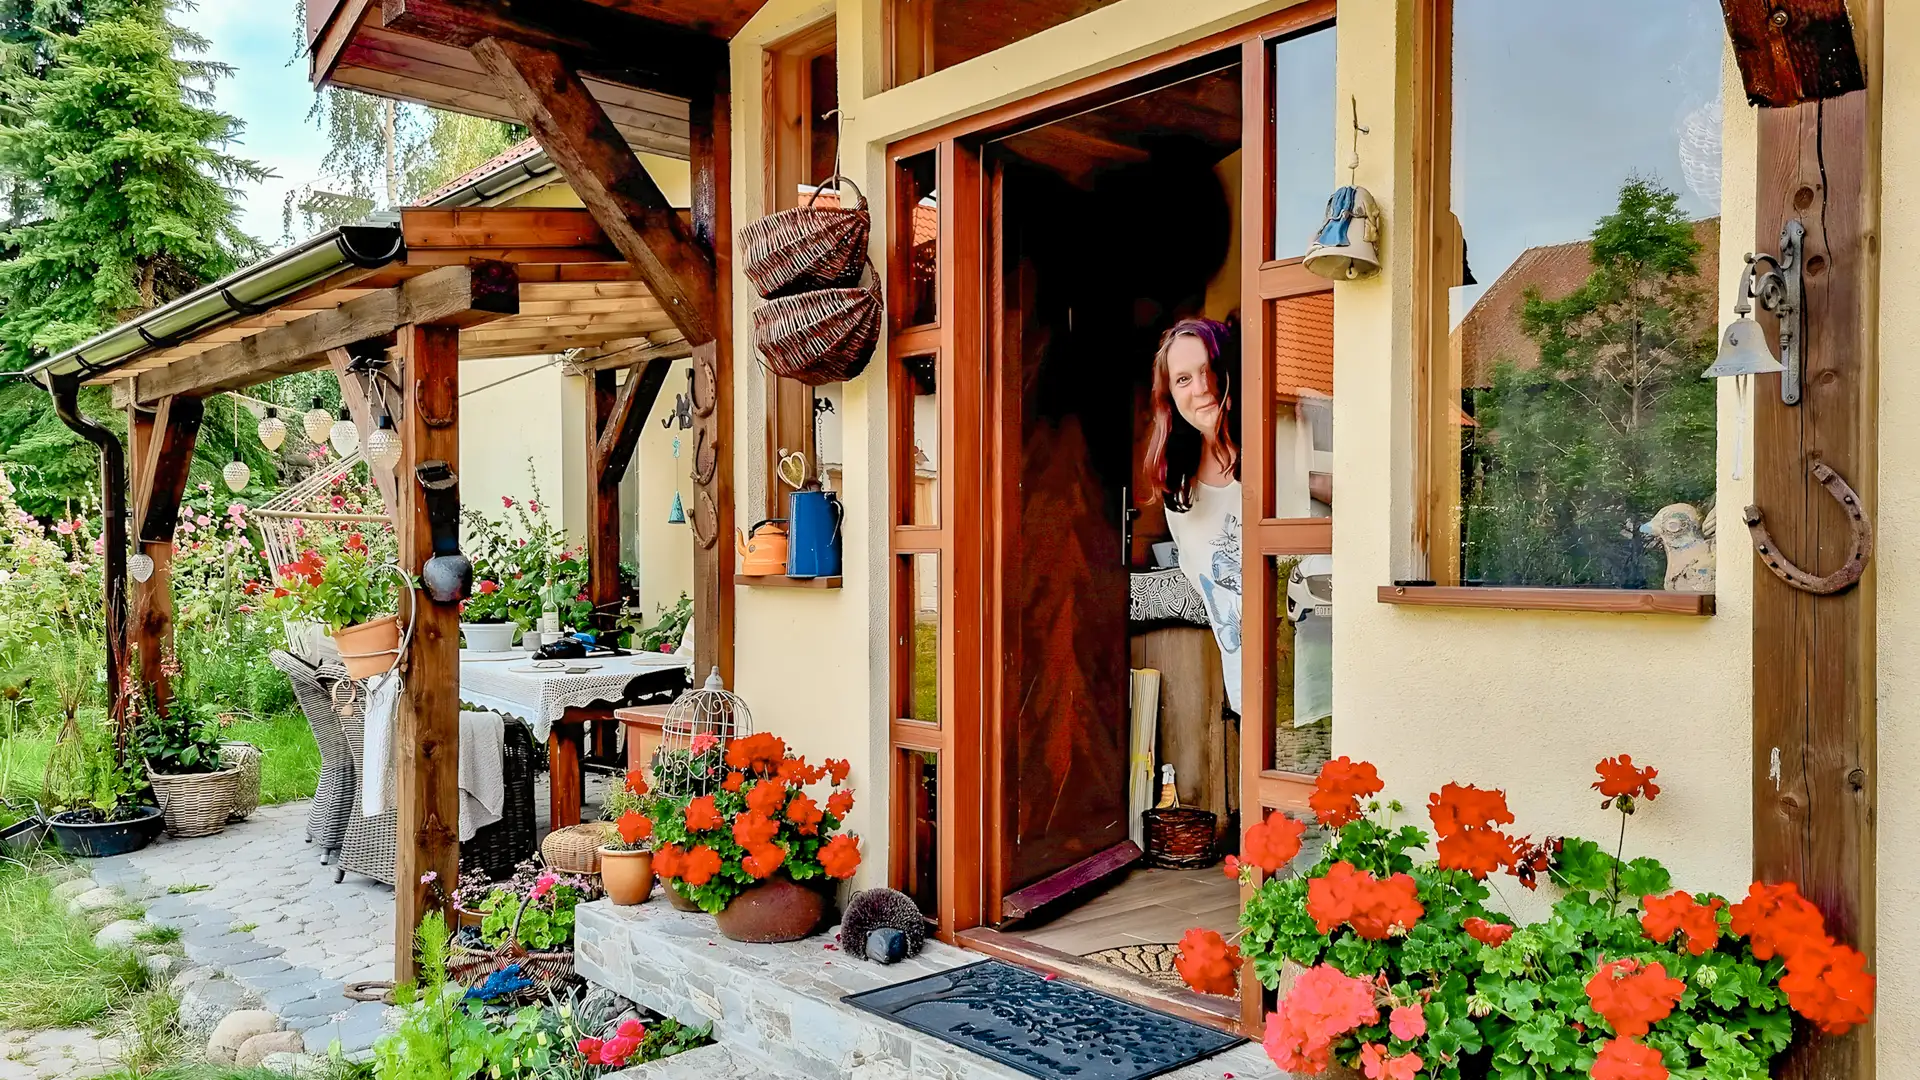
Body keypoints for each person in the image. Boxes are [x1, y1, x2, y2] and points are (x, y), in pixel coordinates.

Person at [1143, 317, 1242, 713]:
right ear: (1169, 396)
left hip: (1322, 691)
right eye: (1183, 379)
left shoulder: (1277, 451)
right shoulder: (1181, 492)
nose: (1201, 388)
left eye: (1209, 369)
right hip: (1249, 700)